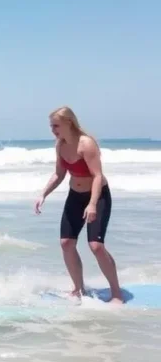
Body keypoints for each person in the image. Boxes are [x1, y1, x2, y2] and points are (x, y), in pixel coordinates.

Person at [34, 106, 122, 303]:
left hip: (97, 196)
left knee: (96, 246)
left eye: (55, 125)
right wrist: (43, 194)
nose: (52, 130)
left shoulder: (86, 144)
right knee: (66, 243)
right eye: (51, 126)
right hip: (75, 196)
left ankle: (116, 292)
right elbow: (59, 174)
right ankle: (78, 289)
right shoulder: (60, 145)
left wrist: (92, 204)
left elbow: (97, 176)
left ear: (68, 122)